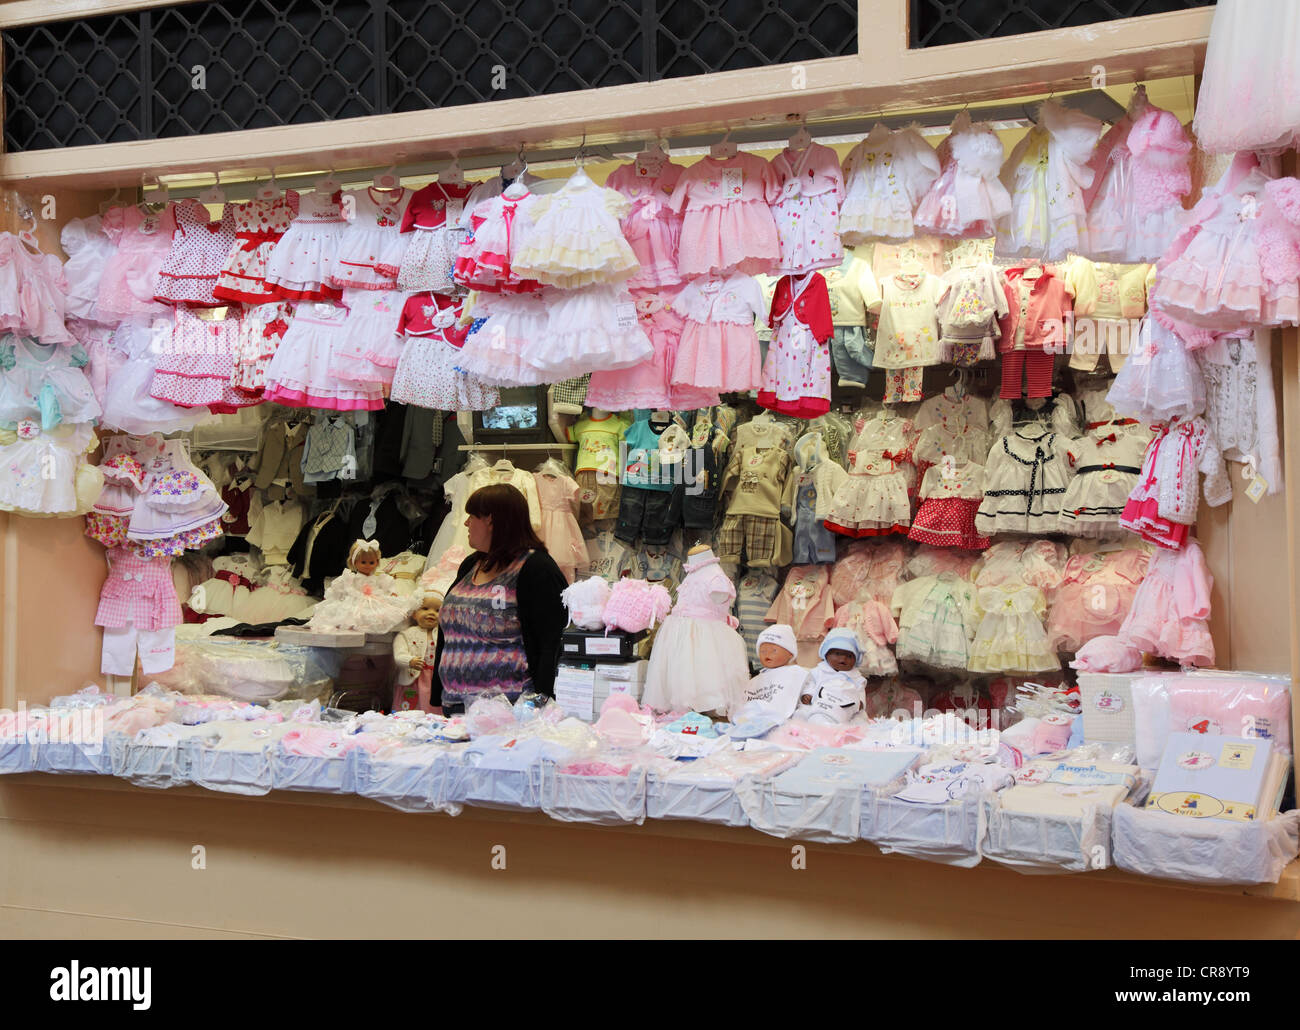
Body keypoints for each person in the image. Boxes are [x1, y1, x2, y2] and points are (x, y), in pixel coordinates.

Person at [431, 483, 568, 715]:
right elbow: (448, 635)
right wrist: (438, 693)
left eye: (472, 516)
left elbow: (551, 643)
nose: (466, 523)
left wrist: (541, 704)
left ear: (491, 521)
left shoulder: (536, 568)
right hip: (456, 706)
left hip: (511, 713)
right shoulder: (471, 565)